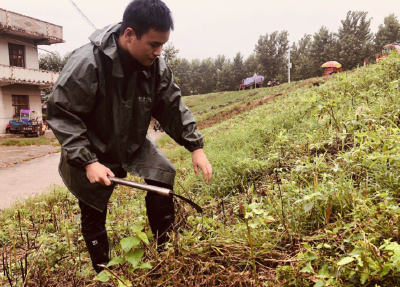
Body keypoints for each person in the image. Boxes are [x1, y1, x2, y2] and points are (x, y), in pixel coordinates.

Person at [47, 0, 212, 274]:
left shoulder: (155, 66)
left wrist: (195, 146)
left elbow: (172, 106)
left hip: (132, 143)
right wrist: (88, 162)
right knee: (93, 206)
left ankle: (165, 249)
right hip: (91, 148)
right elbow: (62, 113)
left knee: (162, 172)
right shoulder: (87, 62)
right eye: (154, 44)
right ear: (129, 34)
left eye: (163, 45)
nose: (159, 52)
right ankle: (103, 271)